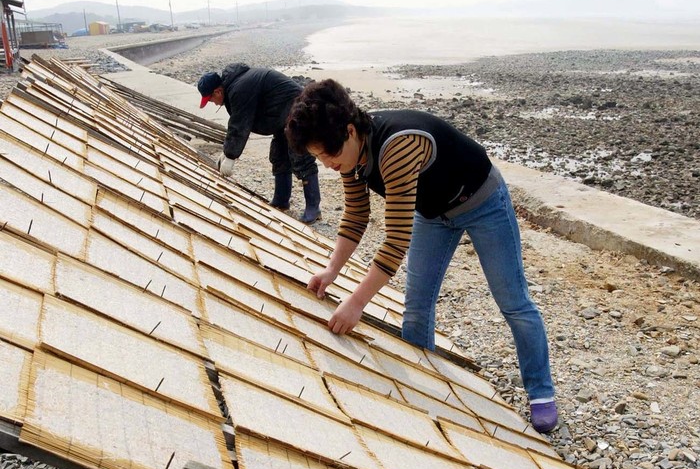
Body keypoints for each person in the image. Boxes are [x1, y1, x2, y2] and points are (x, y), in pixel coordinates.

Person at [285, 79, 558, 433]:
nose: (327, 165)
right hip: (433, 214)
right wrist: (330, 271)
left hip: (482, 203)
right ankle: (422, 385)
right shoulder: (351, 155)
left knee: (513, 301)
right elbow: (356, 217)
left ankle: (540, 392)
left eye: (328, 155)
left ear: (349, 131)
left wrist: (356, 303)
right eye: (319, 157)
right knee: (416, 305)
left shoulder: (397, 145)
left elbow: (396, 241)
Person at [197, 64, 322, 223]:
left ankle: (313, 208)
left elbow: (239, 124)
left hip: (298, 110)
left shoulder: (239, 89)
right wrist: (226, 151)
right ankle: (281, 200)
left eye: (211, 100)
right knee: (279, 155)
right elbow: (239, 121)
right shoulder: (236, 86)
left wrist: (230, 155)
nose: (214, 103)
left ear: (217, 91)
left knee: (300, 157)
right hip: (281, 116)